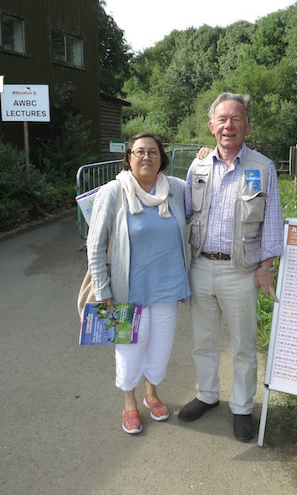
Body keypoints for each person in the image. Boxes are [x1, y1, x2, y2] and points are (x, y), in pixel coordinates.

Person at [179, 92, 283, 442]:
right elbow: (184, 215)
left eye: (236, 119)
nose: (228, 126)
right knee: (203, 341)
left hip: (241, 270)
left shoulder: (263, 167)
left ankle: (241, 407)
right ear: (211, 126)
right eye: (222, 119)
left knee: (243, 345)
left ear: (247, 126)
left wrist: (266, 265)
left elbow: (271, 220)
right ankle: (207, 395)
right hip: (201, 267)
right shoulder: (199, 165)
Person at [86, 132, 190, 435]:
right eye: (139, 152)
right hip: (126, 290)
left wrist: (205, 156)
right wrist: (102, 288)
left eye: (153, 152)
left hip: (168, 288)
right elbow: (96, 244)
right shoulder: (113, 191)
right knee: (129, 349)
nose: (146, 157)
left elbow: (205, 182)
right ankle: (130, 403)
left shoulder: (175, 189)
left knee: (160, 348)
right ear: (129, 157)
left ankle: (152, 394)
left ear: (162, 158)